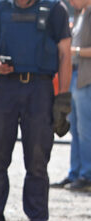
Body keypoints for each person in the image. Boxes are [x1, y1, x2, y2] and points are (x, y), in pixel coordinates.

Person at [0, 0, 72, 221]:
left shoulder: (55, 9)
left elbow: (65, 54)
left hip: (40, 89)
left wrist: (64, 98)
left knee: (37, 161)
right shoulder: (0, 9)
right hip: (5, 88)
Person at [52, 0, 91, 191]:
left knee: (85, 131)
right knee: (75, 129)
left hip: (86, 78)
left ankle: (87, 176)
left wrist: (72, 50)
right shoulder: (79, 14)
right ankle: (74, 173)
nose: (70, 1)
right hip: (76, 74)